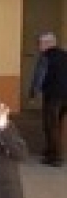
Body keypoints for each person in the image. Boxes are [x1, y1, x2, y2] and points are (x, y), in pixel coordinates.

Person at [30, 32, 67, 166]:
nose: (38, 46)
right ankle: (52, 150)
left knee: (51, 125)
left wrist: (33, 93)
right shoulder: (64, 55)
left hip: (53, 95)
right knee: (59, 125)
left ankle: (55, 157)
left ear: (47, 43)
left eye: (39, 43)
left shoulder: (45, 57)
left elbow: (39, 76)